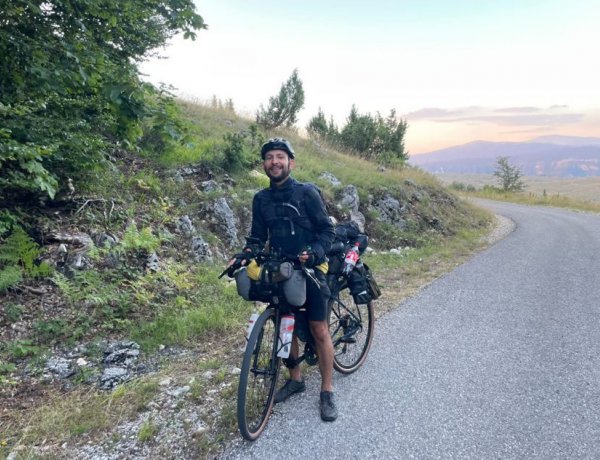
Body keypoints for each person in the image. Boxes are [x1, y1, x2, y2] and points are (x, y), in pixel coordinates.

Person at [234, 137, 337, 421]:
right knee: (284, 324)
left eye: (280, 156)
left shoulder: (307, 193)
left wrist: (313, 253)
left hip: (311, 268)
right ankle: (296, 379)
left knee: (318, 328)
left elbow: (327, 231)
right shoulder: (261, 199)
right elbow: (257, 238)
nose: (274, 162)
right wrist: (245, 254)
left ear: (291, 163)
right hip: (281, 268)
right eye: (269, 157)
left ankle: (327, 390)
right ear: (264, 165)